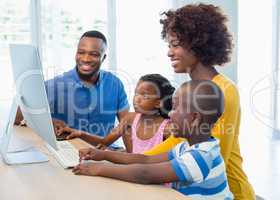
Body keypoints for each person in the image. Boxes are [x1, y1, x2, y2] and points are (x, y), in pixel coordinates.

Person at [143, 4, 255, 199]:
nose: (169, 52)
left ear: (198, 44)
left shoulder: (224, 90)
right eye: (169, 45)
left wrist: (133, 163)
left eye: (175, 44)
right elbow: (177, 143)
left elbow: (215, 155)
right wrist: (128, 161)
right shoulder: (193, 88)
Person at [72, 80, 233, 200]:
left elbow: (145, 173)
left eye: (176, 108)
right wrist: (103, 155)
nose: (170, 113)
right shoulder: (186, 147)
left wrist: (98, 169)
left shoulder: (200, 157)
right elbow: (145, 159)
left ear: (194, 118)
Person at [15, 30, 129, 141]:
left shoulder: (115, 84)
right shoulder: (55, 85)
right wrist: (48, 122)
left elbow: (128, 125)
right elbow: (17, 116)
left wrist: (130, 156)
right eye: (81, 52)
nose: (86, 59)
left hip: (106, 153)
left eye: (93, 54)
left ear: (103, 58)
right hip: (71, 151)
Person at [60, 74, 177, 153]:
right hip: (135, 177)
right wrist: (80, 134)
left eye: (144, 95)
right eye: (136, 93)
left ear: (158, 103)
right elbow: (104, 142)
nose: (136, 99)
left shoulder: (167, 128)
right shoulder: (129, 119)